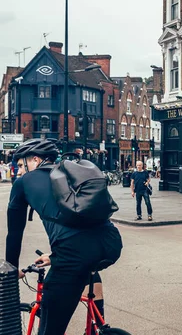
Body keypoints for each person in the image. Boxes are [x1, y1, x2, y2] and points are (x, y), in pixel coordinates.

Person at [5, 139, 122, 334]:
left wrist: (12, 269)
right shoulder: (68, 175)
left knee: (50, 327)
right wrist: (53, 257)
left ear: (34, 160)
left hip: (74, 254)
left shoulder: (23, 183)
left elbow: (15, 233)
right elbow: (81, 225)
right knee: (85, 269)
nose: (20, 171)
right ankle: (98, 327)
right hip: (111, 242)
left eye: (20, 165)